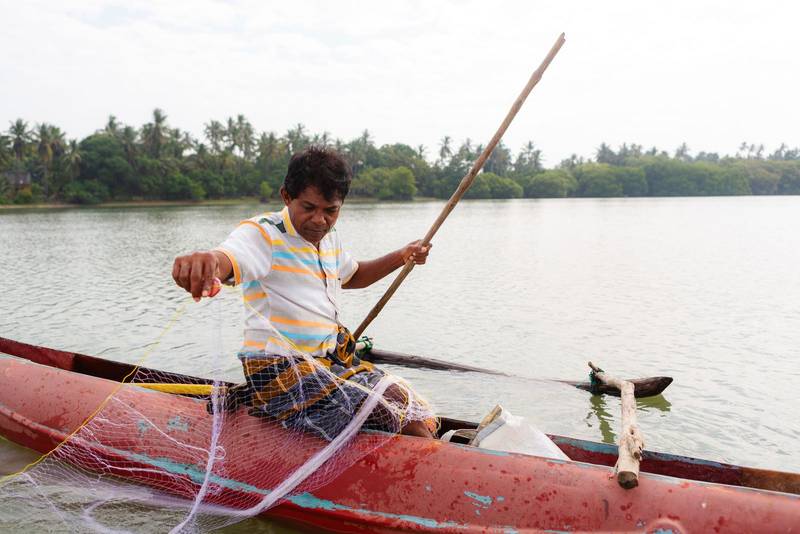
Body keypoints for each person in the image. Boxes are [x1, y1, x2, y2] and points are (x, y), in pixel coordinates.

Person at [172, 147, 436, 439]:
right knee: (390, 412)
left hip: (328, 363)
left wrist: (401, 256)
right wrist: (208, 263)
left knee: (407, 403)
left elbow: (354, 275)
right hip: (279, 370)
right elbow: (227, 259)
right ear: (287, 196)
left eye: (330, 211)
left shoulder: (328, 238)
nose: (319, 220)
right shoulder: (264, 233)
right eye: (309, 208)